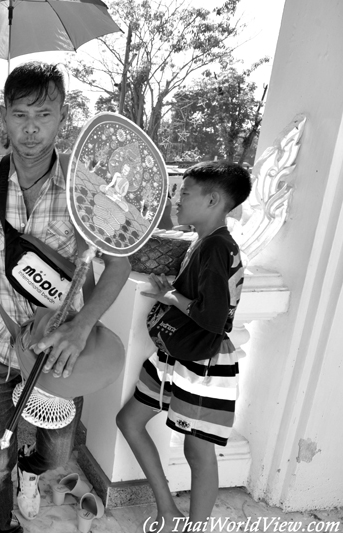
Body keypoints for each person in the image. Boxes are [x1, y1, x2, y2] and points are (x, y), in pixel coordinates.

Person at [0, 62, 131, 532]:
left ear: (63, 116)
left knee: (57, 453)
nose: (31, 128)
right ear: (3, 117)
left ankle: (32, 476)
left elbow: (119, 264)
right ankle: (2, 525)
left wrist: (81, 326)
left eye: (44, 113)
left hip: (59, 353)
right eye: (20, 114)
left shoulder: (86, 189)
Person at [116, 161, 252, 533]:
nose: (177, 198)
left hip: (203, 361)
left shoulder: (218, 248)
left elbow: (212, 317)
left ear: (212, 200)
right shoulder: (203, 242)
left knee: (197, 450)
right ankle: (167, 509)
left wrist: (172, 296)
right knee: (129, 421)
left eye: (185, 192)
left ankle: (195, 527)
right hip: (176, 355)